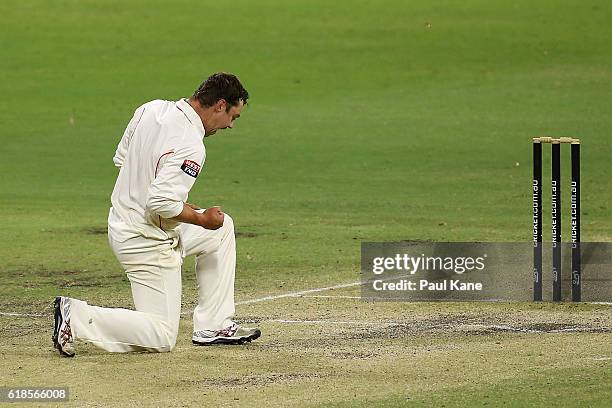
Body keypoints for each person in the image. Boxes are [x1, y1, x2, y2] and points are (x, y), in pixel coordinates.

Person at [52, 72, 260, 356]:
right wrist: (200, 218)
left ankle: (214, 325)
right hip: (144, 240)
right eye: (233, 117)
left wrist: (176, 204)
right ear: (220, 105)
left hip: (124, 221)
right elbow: (161, 203)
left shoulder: (150, 109)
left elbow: (122, 160)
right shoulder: (192, 145)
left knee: (221, 231)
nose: (230, 125)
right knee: (161, 335)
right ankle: (76, 317)